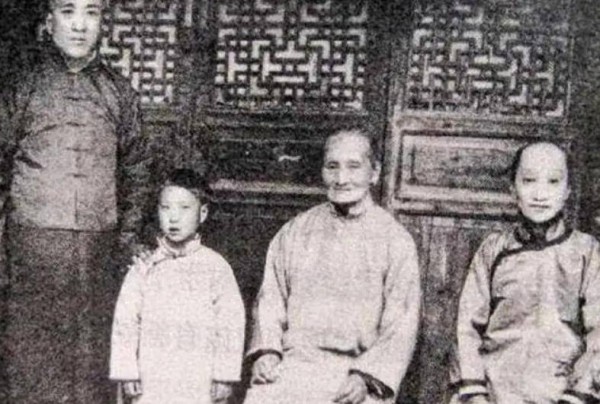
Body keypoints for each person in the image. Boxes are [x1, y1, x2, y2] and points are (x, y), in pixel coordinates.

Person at [0, 0, 151, 402]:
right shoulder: (22, 88)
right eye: (68, 12)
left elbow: (137, 169)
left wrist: (126, 239)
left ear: (103, 23)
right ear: (50, 22)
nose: (80, 25)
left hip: (98, 251)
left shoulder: (119, 91)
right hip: (32, 248)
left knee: (90, 364)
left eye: (92, 12)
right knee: (32, 364)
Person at [243, 129, 421, 404]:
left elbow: (401, 324)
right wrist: (268, 352)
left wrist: (366, 377)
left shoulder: (395, 240)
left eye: (354, 167)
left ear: (374, 173)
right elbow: (270, 301)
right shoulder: (295, 231)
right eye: (332, 167)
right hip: (293, 368)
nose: (341, 179)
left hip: (355, 375)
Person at [453, 142, 600, 404]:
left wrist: (576, 395)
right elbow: (466, 328)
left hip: (562, 393)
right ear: (513, 188)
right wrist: (475, 392)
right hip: (495, 392)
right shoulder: (493, 250)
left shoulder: (588, 253)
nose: (540, 194)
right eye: (529, 180)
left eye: (553, 182)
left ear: (567, 190)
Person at [110, 168, 246, 404]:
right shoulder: (143, 268)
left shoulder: (216, 267)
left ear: (202, 213)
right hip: (152, 377)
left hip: (198, 377)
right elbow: (126, 321)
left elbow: (230, 322)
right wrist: (127, 371)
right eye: (166, 208)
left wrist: (224, 376)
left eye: (184, 208)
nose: (174, 218)